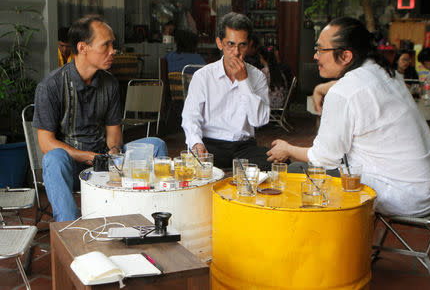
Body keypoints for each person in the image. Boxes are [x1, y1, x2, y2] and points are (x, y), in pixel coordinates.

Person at [267, 17, 430, 217]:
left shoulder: (344, 93)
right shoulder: (386, 73)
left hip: (401, 195)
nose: (316, 56)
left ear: (345, 56)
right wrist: (321, 88)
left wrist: (287, 149)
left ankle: (320, 245)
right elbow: (357, 89)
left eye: (320, 50)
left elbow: (324, 158)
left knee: (297, 172)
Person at [33, 15, 168, 222]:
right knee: (53, 159)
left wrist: (113, 155)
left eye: (112, 44)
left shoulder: (110, 84)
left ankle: (151, 217)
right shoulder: (51, 86)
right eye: (106, 45)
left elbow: (114, 134)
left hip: (106, 160)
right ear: (83, 47)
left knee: (156, 145)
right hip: (72, 163)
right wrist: (90, 157)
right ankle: (70, 229)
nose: (113, 51)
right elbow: (46, 143)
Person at [181, 12, 271, 171]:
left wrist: (243, 81)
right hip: (211, 143)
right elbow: (190, 116)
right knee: (191, 168)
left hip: (244, 146)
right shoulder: (203, 76)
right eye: (230, 44)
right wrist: (196, 143)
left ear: (249, 45)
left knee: (273, 164)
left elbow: (259, 121)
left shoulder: (258, 77)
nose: (236, 52)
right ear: (219, 43)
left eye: (242, 45)